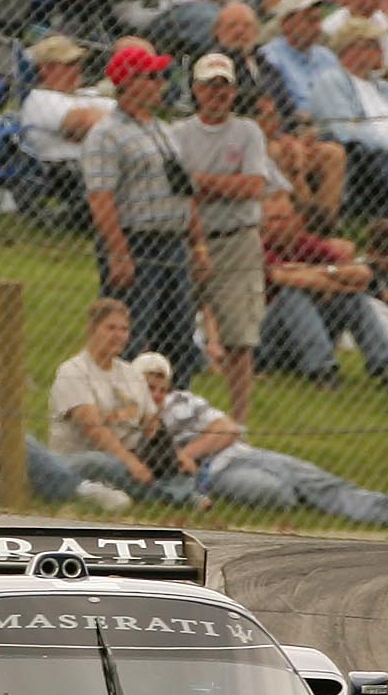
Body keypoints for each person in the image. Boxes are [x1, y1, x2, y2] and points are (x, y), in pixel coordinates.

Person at [147, 361, 388, 529]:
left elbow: (228, 430)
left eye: (162, 387)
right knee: (280, 494)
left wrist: (185, 452)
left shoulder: (183, 401)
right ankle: (312, 496)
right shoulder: (138, 418)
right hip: (216, 475)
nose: (158, 394)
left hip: (244, 455)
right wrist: (204, 445)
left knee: (323, 482)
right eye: (150, 387)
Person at [81, 44, 202, 383]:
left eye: (161, 75)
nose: (162, 83)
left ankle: (174, 404)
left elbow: (185, 191)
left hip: (173, 242)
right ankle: (118, 400)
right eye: (153, 76)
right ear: (129, 82)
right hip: (136, 242)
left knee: (178, 334)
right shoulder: (106, 134)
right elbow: (100, 198)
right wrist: (118, 252)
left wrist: (199, 244)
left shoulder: (164, 130)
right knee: (129, 333)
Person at [168, 52, 277, 427]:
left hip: (238, 238)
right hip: (185, 237)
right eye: (210, 86)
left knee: (239, 338)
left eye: (224, 86)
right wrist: (215, 187)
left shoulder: (248, 131)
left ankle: (239, 424)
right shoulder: (179, 133)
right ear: (196, 89)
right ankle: (169, 413)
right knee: (173, 328)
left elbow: (254, 186)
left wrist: (200, 182)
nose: (218, 93)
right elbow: (178, 192)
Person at [254, 189, 388, 389]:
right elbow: (286, 278)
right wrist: (338, 281)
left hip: (313, 331)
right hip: (272, 343)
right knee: (291, 295)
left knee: (354, 299)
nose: (275, 226)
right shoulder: (260, 248)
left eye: (282, 219)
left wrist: (319, 271)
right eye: (270, 220)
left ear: (299, 221)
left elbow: (363, 275)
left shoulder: (307, 244)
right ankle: (323, 370)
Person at [44, 297, 164, 504]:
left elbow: (152, 422)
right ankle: (173, 495)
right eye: (110, 328)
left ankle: (153, 488)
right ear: (92, 329)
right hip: (79, 459)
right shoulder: (73, 371)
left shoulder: (131, 374)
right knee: (103, 462)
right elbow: (94, 429)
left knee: (163, 462)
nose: (119, 336)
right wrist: (130, 462)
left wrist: (161, 454)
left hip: (131, 456)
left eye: (124, 329)